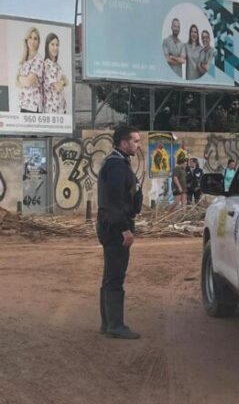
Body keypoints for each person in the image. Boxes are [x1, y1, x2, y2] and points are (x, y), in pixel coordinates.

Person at [96, 125, 143, 339]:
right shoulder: (116, 166)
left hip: (111, 226)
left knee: (110, 275)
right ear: (124, 143)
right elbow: (113, 203)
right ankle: (115, 326)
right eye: (135, 141)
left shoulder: (118, 162)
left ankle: (108, 323)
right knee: (115, 276)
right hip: (115, 228)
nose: (138, 144)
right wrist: (125, 229)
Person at [16, 27, 44, 113]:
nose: (32, 41)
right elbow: (17, 84)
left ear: (38, 42)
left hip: (33, 107)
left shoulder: (38, 59)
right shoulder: (25, 60)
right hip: (24, 104)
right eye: (30, 37)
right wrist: (21, 80)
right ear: (26, 40)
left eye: (35, 38)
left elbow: (28, 82)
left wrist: (19, 77)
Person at [42, 32, 68, 114]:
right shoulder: (47, 64)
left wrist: (63, 82)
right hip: (52, 111)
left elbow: (67, 81)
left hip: (61, 109)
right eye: (52, 44)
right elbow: (58, 87)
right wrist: (63, 81)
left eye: (57, 45)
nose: (55, 47)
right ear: (47, 46)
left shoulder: (57, 65)